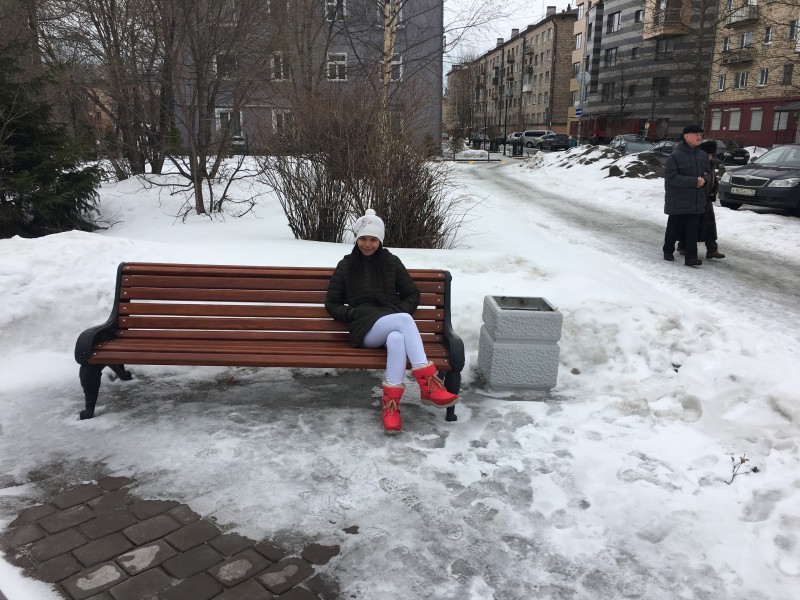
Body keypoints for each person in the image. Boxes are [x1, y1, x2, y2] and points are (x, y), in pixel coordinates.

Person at [325, 209, 459, 435]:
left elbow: (412, 295)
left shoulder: (391, 262)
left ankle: (391, 407)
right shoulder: (347, 265)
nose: (368, 244)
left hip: (391, 326)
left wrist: (396, 312)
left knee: (397, 338)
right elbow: (332, 303)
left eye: (373, 239)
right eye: (363, 239)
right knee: (403, 321)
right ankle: (428, 383)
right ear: (357, 239)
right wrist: (351, 315)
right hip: (364, 330)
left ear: (380, 240)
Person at [662, 125, 711, 267]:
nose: (699, 137)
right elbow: (671, 178)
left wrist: (705, 180)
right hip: (678, 199)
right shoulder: (675, 156)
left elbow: (708, 173)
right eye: (695, 134)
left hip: (696, 199)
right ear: (686, 136)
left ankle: (691, 257)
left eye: (700, 134)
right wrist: (693, 181)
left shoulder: (702, 155)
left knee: (692, 229)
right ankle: (668, 250)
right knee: (673, 226)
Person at [677, 139, 726, 259]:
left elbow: (714, 181)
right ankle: (683, 245)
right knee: (691, 224)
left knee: (709, 226)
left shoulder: (711, 164)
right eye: (707, 154)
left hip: (707, 200)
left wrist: (714, 191)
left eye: (711, 155)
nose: (709, 157)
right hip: (695, 199)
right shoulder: (695, 163)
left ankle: (712, 249)